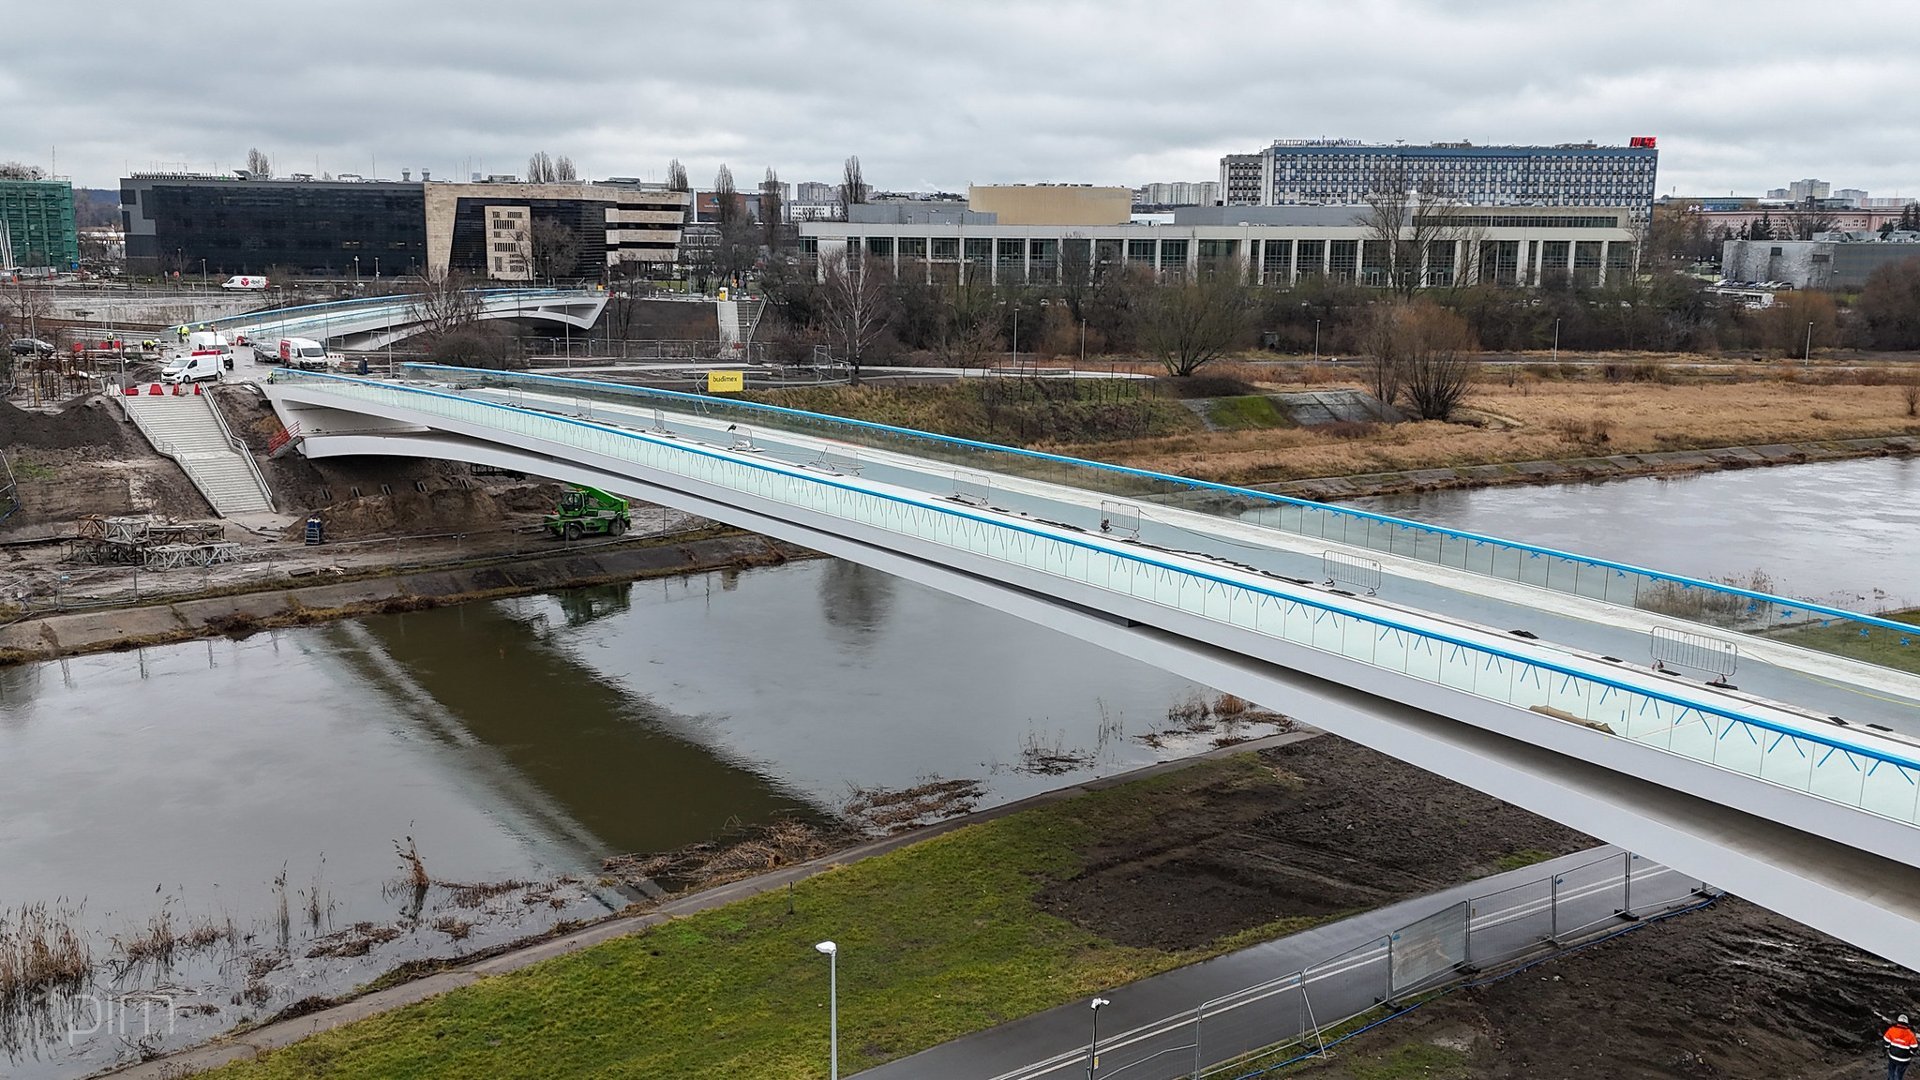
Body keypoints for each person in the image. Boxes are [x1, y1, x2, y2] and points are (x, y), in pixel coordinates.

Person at [1884, 1013, 1917, 1079]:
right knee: (1899, 1074)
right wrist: (1909, 1054)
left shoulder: (1891, 1030)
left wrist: (1888, 1048)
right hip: (1904, 1060)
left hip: (1892, 1056)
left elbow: (1886, 1041)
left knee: (1891, 1071)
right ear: (1907, 1024)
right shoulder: (1910, 1034)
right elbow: (1914, 1047)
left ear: (1898, 1022)